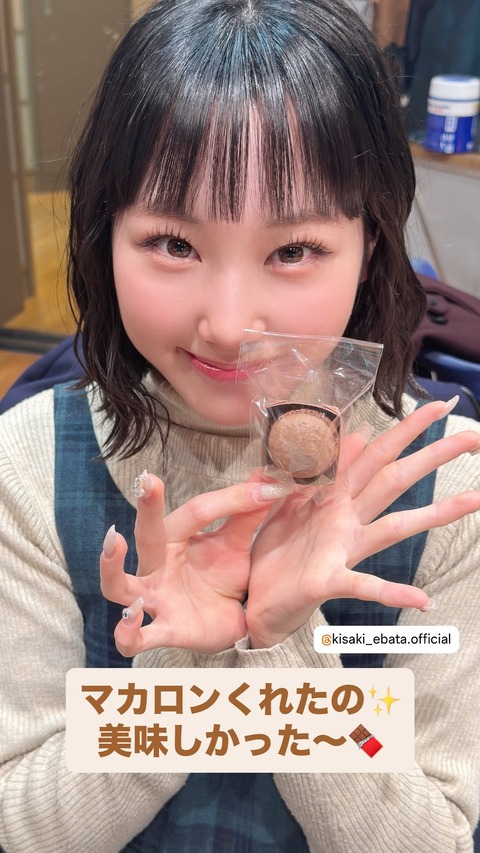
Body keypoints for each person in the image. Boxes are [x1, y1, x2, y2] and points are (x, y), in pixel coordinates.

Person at [1, 1, 479, 850]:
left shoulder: (446, 493)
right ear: (104, 232)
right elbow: (20, 824)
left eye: (293, 251)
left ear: (371, 243)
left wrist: (287, 643)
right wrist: (180, 664)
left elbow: (437, 836)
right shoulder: (28, 464)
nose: (227, 326)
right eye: (173, 243)